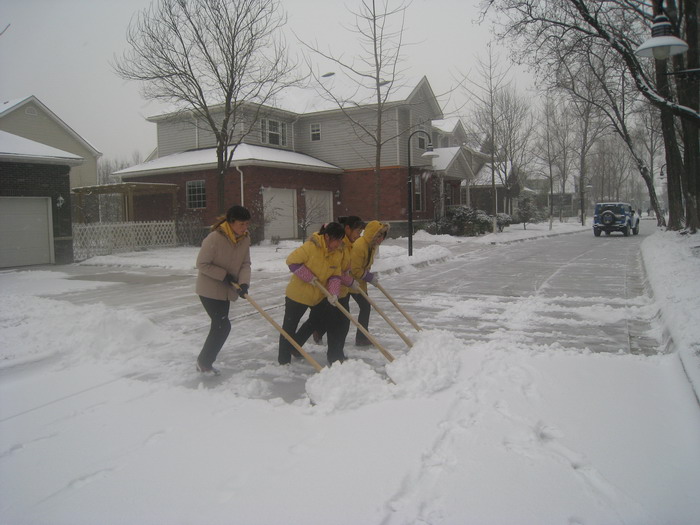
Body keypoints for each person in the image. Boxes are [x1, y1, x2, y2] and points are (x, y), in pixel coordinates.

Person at [279, 222, 350, 366]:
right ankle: (283, 360)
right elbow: (291, 262)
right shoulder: (311, 247)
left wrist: (334, 293)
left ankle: (331, 355)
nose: (338, 243)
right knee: (289, 327)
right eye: (336, 239)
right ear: (327, 236)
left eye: (340, 240)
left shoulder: (338, 253)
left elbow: (335, 275)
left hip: (318, 297)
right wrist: (308, 276)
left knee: (321, 320)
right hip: (298, 295)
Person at [195, 205, 251, 374]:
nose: (244, 228)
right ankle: (204, 362)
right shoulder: (215, 238)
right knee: (222, 325)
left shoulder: (245, 239)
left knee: (220, 325)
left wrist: (244, 283)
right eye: (241, 224)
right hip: (209, 289)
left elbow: (245, 263)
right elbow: (201, 264)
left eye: (247, 224)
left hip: (227, 290)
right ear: (231, 222)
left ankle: (204, 361)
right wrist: (224, 275)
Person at [313, 216, 365, 346]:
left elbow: (345, 268)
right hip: (335, 289)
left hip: (342, 289)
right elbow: (335, 271)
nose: (359, 235)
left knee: (339, 322)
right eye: (358, 231)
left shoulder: (349, 245)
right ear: (347, 229)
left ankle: (334, 351)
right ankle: (335, 355)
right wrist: (348, 281)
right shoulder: (340, 245)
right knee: (338, 324)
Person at [350, 220, 389, 346]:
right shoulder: (360, 246)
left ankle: (361, 337)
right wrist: (368, 277)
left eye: (383, 236)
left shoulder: (371, 246)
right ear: (373, 235)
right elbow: (355, 269)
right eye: (379, 236)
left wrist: (368, 276)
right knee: (342, 311)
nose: (381, 239)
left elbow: (365, 266)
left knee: (365, 307)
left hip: (359, 282)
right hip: (348, 283)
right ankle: (361, 337)